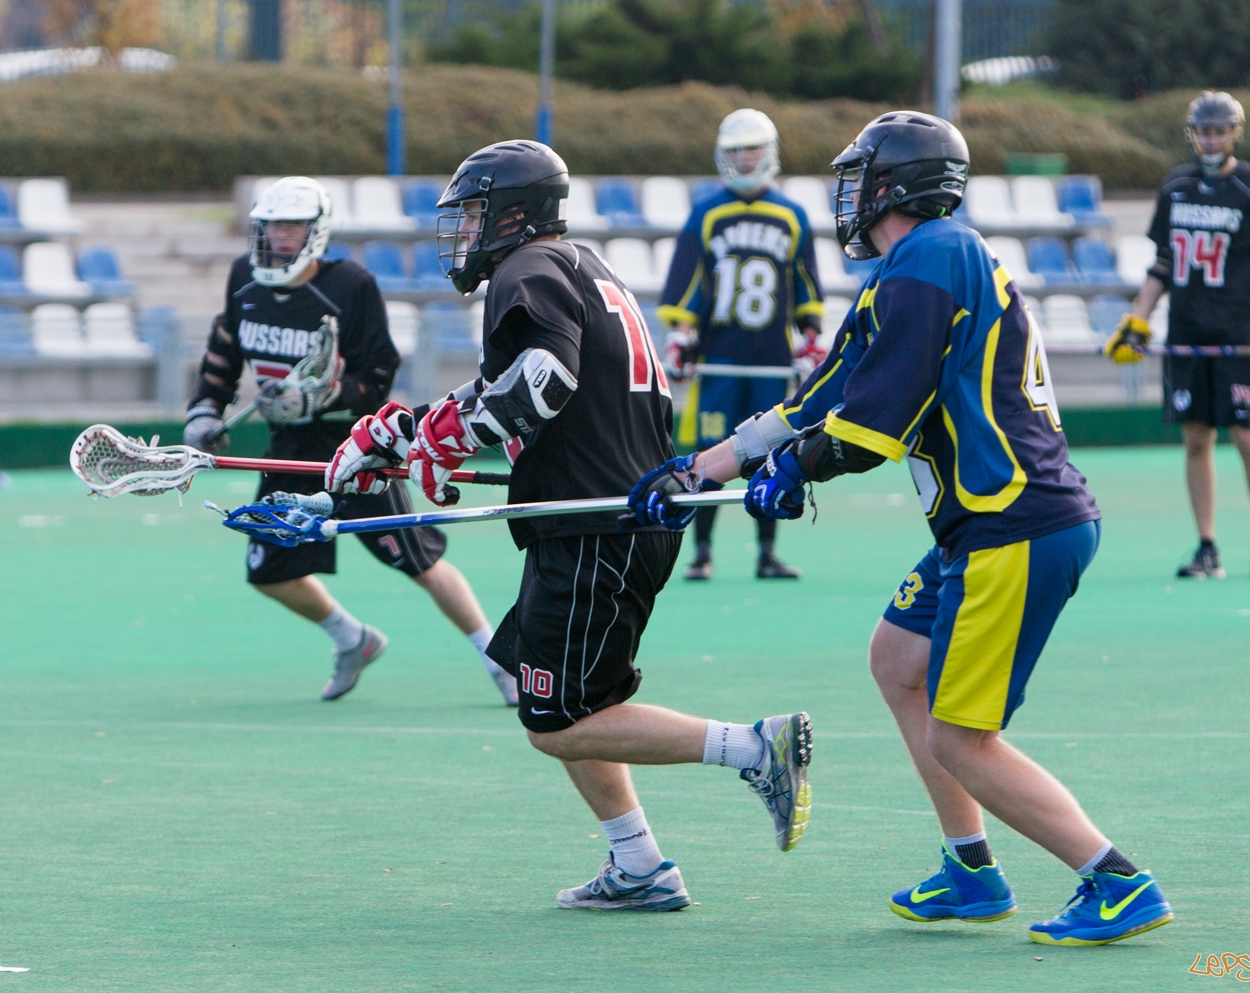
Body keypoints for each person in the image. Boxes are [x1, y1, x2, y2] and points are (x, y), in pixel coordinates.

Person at [630, 112, 1174, 946]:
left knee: (961, 738)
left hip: (1013, 522)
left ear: (895, 185)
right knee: (897, 658)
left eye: (859, 178)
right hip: (980, 526)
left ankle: (1117, 879)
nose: (848, 195)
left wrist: (798, 468)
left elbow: (878, 417)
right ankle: (971, 869)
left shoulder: (933, 254)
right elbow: (828, 390)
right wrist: (710, 465)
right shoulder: (909, 266)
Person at [324, 141, 812, 912]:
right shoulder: (576, 264)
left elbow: (545, 379)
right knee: (558, 695)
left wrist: (443, 440)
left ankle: (755, 748)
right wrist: (406, 430)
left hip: (597, 527)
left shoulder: (526, 268)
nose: (464, 231)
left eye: (474, 214)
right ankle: (639, 863)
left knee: (555, 722)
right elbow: (514, 388)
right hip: (609, 518)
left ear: (513, 214)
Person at [185, 176, 515, 706]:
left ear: (315, 231)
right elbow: (224, 348)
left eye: (292, 226)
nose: (280, 236)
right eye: (272, 226)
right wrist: (205, 408)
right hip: (289, 452)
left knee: (418, 561)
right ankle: (352, 640)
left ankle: (498, 661)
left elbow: (379, 373)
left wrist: (321, 398)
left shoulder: (350, 285)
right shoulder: (244, 277)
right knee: (269, 572)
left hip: (357, 451)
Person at [1104, 91, 1250, 579]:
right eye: (1204, 131)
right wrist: (1139, 319)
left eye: (1219, 131)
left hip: (1234, 334)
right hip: (1186, 334)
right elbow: (1163, 263)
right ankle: (1207, 546)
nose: (1211, 140)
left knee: (1247, 437)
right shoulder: (1176, 186)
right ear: (1192, 134)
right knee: (1195, 439)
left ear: (1235, 133)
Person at [657, 108, 825, 581]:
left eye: (752, 149)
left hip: (771, 359)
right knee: (710, 450)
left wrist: (811, 336)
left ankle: (766, 553)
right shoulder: (707, 213)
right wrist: (681, 335)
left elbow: (805, 284)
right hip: (720, 359)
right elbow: (689, 281)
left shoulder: (791, 216)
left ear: (768, 152)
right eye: (736, 151)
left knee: (772, 453)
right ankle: (701, 551)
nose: (745, 159)